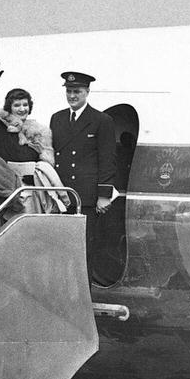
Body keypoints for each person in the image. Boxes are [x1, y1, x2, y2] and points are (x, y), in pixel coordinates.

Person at [49, 71, 119, 284]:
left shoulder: (101, 120)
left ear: (87, 92)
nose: (72, 96)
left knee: (83, 252)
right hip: (61, 197)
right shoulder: (57, 118)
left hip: (86, 198)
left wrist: (104, 195)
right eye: (69, 91)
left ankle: (83, 302)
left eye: (77, 91)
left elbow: (108, 160)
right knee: (61, 252)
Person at [0, 61, 54, 167]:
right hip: (3, 179)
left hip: (30, 182)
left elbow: (45, 163)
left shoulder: (38, 133)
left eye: (25, 105)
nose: (22, 109)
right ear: (9, 107)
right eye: (17, 105)